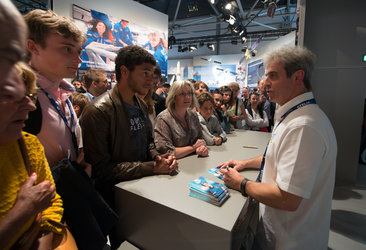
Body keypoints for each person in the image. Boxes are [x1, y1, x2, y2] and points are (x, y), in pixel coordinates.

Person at [219, 46, 337, 249]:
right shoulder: (295, 116)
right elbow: (276, 157)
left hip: (289, 240)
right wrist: (245, 163)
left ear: (298, 77)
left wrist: (241, 184)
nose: (265, 84)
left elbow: (288, 198)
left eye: (273, 76)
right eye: (266, 76)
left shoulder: (303, 126)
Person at [80, 46, 177, 247]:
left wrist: (156, 156)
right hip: (115, 199)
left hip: (141, 190)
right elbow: (101, 169)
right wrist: (152, 167)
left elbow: (148, 141)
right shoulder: (97, 111)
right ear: (124, 72)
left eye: (152, 74)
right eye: (145, 74)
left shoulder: (140, 104)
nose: (151, 80)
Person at [0, 62, 63, 250]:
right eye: (12, 96)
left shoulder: (27, 144)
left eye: (29, 96)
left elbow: (51, 201)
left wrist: (42, 237)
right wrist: (24, 209)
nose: (31, 106)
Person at [154, 80, 208, 159]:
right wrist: (193, 148)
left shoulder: (193, 115)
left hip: (195, 160)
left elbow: (199, 139)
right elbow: (166, 151)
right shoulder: (163, 119)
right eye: (182, 94)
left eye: (189, 93)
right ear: (174, 97)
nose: (188, 97)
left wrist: (202, 147)